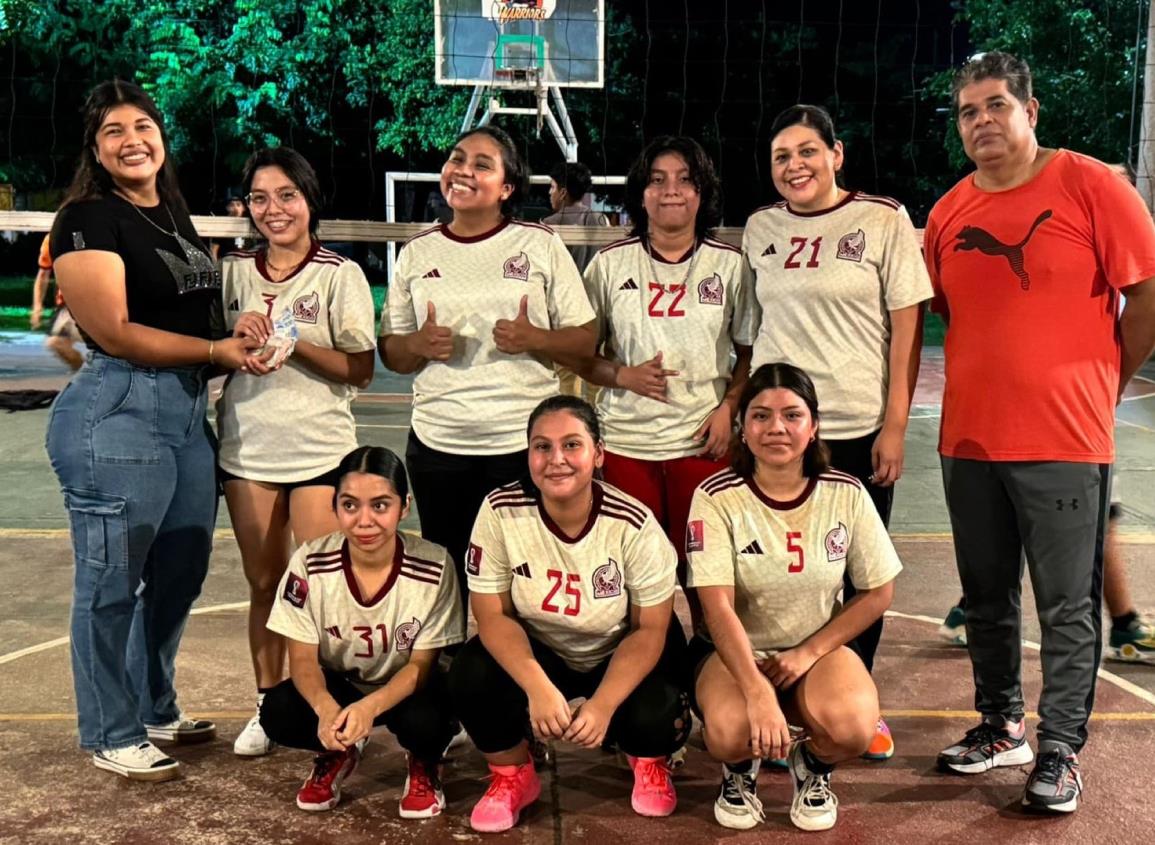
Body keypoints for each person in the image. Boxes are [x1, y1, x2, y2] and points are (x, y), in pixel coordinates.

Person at [925, 51, 1155, 813]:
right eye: (967, 111)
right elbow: (957, 318)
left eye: (995, 105)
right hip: (969, 441)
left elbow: (1145, 297)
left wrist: (1103, 385)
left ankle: (1058, 748)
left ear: (1031, 110)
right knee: (985, 597)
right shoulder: (948, 211)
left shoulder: (1093, 186)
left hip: (1064, 440)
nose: (981, 121)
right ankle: (1000, 725)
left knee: (1064, 603)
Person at [45, 79, 258, 781]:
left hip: (184, 412)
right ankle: (109, 728)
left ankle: (151, 701)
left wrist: (237, 334)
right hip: (118, 411)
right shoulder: (85, 218)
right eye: (114, 130)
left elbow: (187, 315)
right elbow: (115, 331)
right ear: (96, 149)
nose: (133, 139)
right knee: (109, 583)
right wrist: (215, 352)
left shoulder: (170, 213)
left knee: (181, 570)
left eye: (143, 124)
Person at [742, 105, 931, 761]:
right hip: (771, 431)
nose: (794, 165)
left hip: (851, 426)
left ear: (836, 154)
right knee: (771, 565)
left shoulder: (881, 219)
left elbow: (907, 329)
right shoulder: (760, 228)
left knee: (855, 574)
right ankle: (773, 694)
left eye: (806, 151)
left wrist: (894, 426)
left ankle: (854, 700)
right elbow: (748, 331)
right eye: (780, 156)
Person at [447, 395, 690, 833]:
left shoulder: (634, 524)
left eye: (572, 445)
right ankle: (512, 775)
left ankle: (647, 757)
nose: (556, 459)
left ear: (598, 454)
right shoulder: (500, 511)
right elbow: (492, 615)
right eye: (542, 447)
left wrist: (603, 705)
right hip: (543, 648)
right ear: (528, 454)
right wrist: (536, 686)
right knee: (470, 673)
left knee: (659, 703)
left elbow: (649, 628)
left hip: (616, 646)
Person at [378, 126, 596, 606]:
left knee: (529, 579)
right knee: (448, 578)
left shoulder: (538, 245)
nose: (463, 171)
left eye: (481, 164)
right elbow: (392, 352)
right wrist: (417, 343)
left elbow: (586, 338)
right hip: (439, 444)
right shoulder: (418, 252)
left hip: (520, 446)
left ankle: (525, 677)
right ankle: (449, 670)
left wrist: (535, 338)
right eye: (457, 159)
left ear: (508, 187)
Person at [686, 362, 901, 832]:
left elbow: (878, 591)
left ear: (814, 425)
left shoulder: (846, 493)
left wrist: (808, 652)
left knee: (855, 729)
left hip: (814, 650)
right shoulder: (715, 496)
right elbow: (715, 605)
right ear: (742, 427)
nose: (776, 428)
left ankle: (813, 766)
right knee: (728, 732)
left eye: (791, 415)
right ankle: (739, 769)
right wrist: (757, 689)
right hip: (734, 650)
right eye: (760, 415)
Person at [217, 147, 377, 757]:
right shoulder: (233, 270)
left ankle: (332, 709)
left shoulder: (339, 274)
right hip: (248, 448)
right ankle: (267, 704)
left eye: (287, 195)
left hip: (319, 451)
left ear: (310, 200)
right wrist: (234, 338)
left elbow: (360, 370)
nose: (273, 209)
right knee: (264, 583)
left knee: (316, 587)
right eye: (260, 197)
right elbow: (211, 344)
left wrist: (296, 343)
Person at [576, 136, 754, 635]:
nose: (671, 191)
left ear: (702, 193)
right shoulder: (610, 266)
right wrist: (622, 375)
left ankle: (712, 679)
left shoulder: (729, 265)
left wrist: (729, 410)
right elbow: (583, 357)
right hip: (629, 446)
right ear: (641, 193)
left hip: (702, 443)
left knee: (707, 582)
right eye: (658, 180)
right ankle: (651, 691)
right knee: (637, 586)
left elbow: (748, 353)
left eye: (685, 180)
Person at [259, 446, 463, 817]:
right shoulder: (309, 561)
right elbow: (302, 659)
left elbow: (422, 664)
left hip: (405, 689)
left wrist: (369, 708)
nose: (364, 520)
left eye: (380, 505)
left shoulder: (434, 564)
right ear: (334, 507)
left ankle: (423, 761)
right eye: (350, 505)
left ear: (405, 506)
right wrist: (325, 710)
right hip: (342, 684)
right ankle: (338, 750)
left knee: (431, 720)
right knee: (278, 712)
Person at [544, 160, 610, 273]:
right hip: (595, 288)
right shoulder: (602, 220)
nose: (550, 192)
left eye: (552, 187)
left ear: (563, 193)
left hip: (564, 289)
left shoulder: (548, 223)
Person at [30, 234, 83, 371]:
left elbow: (83, 258)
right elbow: (43, 275)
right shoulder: (52, 239)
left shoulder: (79, 235)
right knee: (57, 343)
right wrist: (37, 306)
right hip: (68, 303)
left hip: (93, 299)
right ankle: (86, 375)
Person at [211, 192, 256, 261]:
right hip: (227, 262)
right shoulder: (223, 225)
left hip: (247, 263)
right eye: (232, 205)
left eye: (238, 205)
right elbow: (214, 249)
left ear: (243, 208)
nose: (235, 208)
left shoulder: (250, 224)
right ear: (227, 208)